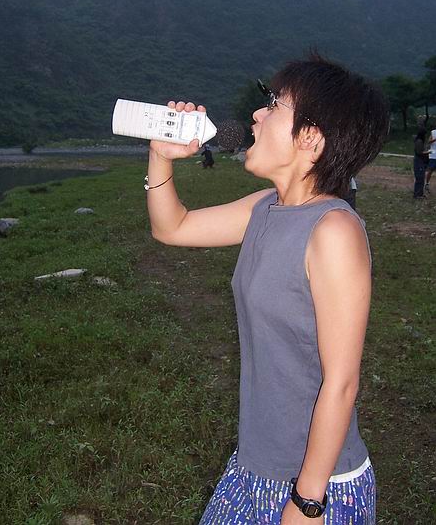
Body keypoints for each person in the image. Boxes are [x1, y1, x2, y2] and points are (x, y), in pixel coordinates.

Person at [146, 54, 389, 525]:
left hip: (315, 484)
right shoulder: (264, 207)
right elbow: (172, 228)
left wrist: (307, 502)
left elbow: (341, 383)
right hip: (252, 465)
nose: (257, 114)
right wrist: (160, 155)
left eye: (275, 105)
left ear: (310, 137)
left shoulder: (333, 231)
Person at [413, 128, 429, 199]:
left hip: (421, 161)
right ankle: (417, 194)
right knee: (419, 178)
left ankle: (420, 193)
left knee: (421, 178)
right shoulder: (419, 141)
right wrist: (428, 152)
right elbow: (419, 152)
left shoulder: (420, 141)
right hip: (419, 161)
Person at [425, 128, 436, 192]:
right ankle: (427, 183)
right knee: (431, 170)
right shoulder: (433, 132)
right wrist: (435, 139)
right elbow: (429, 142)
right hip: (434, 154)